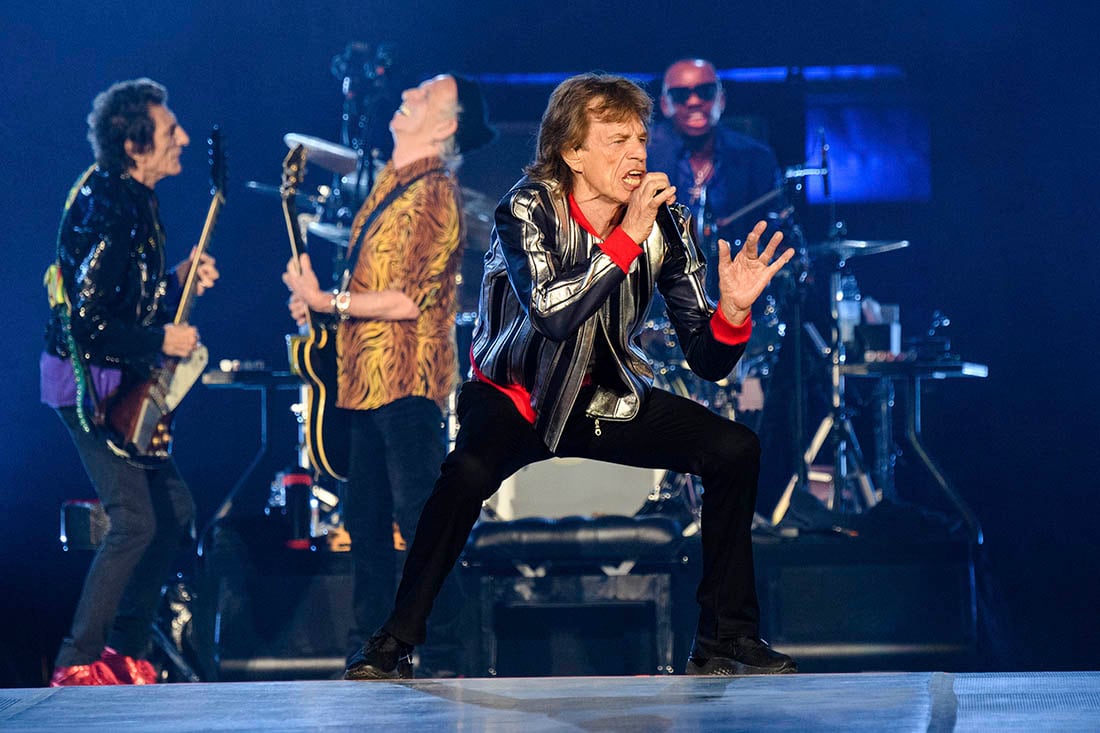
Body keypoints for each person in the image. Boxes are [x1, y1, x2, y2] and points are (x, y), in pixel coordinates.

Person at [344, 72, 798, 680]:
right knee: (464, 474)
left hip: (600, 395)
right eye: (615, 141)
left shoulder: (666, 222)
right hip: (515, 394)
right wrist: (627, 239)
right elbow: (554, 315)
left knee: (734, 449)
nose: (636, 152)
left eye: (639, 137)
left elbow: (706, 360)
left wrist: (733, 313)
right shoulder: (525, 209)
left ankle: (725, 637)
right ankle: (394, 641)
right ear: (573, 153)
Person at [282, 73, 495, 670]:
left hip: (407, 378)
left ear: (447, 124)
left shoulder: (433, 193)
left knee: (415, 514)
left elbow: (405, 300)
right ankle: (373, 644)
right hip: (361, 376)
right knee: (366, 521)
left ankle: (451, 637)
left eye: (424, 94)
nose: (408, 94)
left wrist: (330, 302)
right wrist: (319, 303)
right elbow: (368, 285)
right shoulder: (388, 185)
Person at [41, 78, 219, 686]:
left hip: (122, 378)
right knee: (135, 518)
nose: (185, 139)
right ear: (135, 145)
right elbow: (88, 324)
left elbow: (123, 297)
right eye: (171, 132)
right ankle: (76, 660)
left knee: (173, 510)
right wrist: (159, 340)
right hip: (89, 385)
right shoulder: (110, 205)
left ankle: (126, 651)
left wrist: (172, 282)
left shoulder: (136, 197)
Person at [647, 58, 784, 298]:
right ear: (665, 104)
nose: (694, 101)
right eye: (681, 95)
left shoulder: (756, 156)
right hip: (659, 288)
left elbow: (777, 225)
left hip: (736, 286)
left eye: (705, 92)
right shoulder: (644, 154)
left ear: (720, 98)